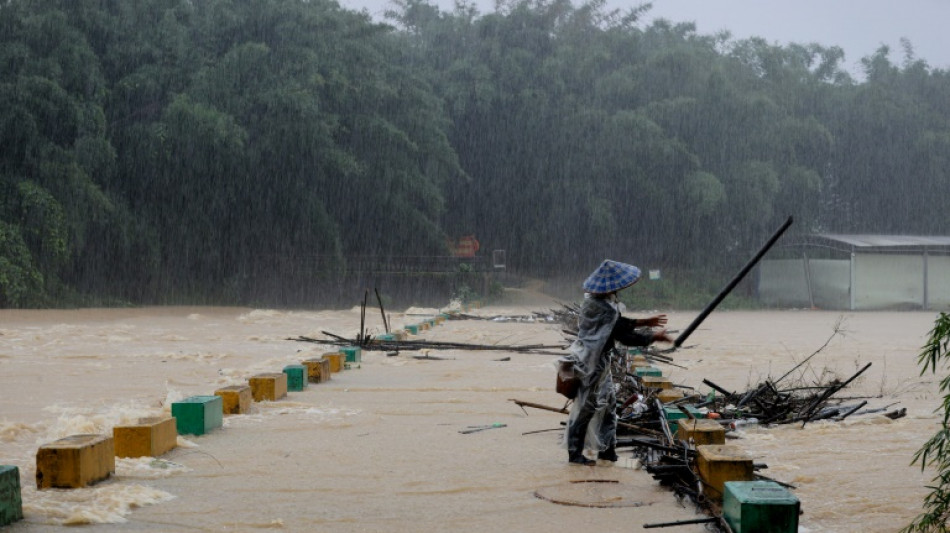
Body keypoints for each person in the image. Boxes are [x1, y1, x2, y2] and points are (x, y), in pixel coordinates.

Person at [563, 259, 671, 465]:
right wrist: (653, 335)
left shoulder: (596, 303)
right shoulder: (601, 307)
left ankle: (607, 450)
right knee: (587, 407)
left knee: (609, 403)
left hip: (598, 360)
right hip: (590, 363)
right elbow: (622, 334)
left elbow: (618, 325)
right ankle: (575, 454)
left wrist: (645, 325)